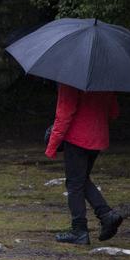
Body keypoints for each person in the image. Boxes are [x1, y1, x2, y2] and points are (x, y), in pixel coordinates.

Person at [45, 83, 124, 245]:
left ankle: (79, 230)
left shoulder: (70, 80)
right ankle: (106, 215)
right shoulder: (104, 77)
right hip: (98, 135)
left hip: (77, 138)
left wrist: (52, 145)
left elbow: (64, 113)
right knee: (81, 179)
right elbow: (114, 111)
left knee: (74, 184)